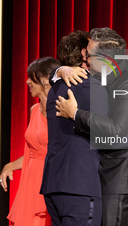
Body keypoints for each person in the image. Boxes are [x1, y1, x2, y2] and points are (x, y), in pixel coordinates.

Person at [55, 27, 128, 226]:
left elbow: (116, 132)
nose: (86, 59)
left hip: (119, 179)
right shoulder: (98, 76)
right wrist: (60, 69)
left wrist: (75, 114)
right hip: (99, 174)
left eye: (89, 55)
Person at [40, 30, 109, 226]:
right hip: (80, 186)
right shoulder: (92, 86)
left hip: (54, 185)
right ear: (83, 54)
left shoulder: (54, 89)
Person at [0, 57, 60, 225]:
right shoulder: (34, 110)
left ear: (45, 80)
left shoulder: (62, 111)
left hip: (51, 181)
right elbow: (32, 153)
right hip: (30, 184)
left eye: (31, 78)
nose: (27, 82)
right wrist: (10, 166)